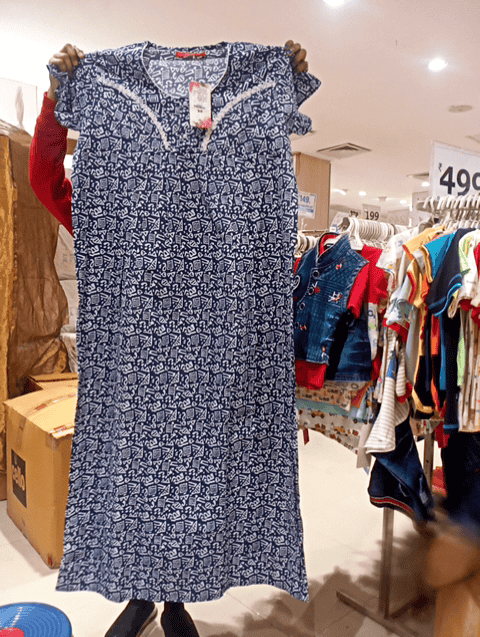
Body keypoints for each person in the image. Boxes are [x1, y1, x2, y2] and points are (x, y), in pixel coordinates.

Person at [30, 40, 313, 637]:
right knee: (135, 479)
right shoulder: (104, 202)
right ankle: (140, 598)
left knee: (198, 480)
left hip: (213, 361)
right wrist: (57, 102)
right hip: (135, 365)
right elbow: (44, 179)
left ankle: (177, 600)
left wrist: (282, 81)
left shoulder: (249, 112)